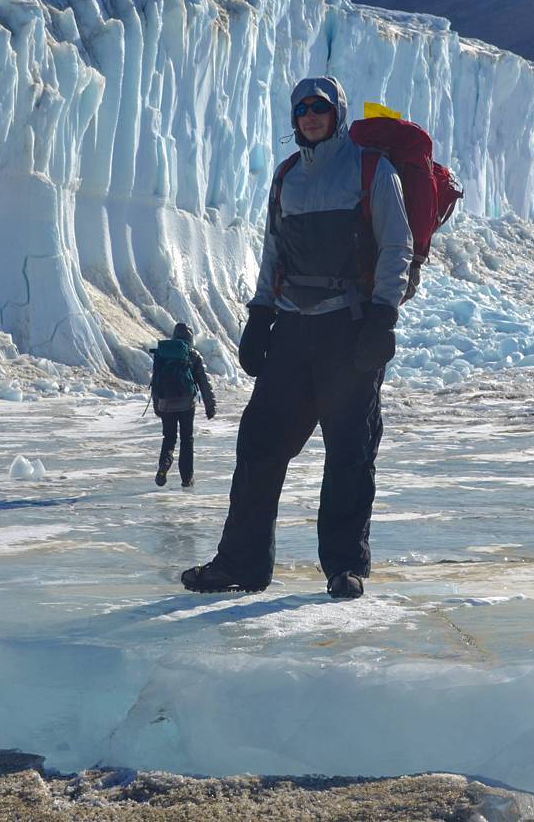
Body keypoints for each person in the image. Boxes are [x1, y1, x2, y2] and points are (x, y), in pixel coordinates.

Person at [181, 75, 413, 599]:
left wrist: (383, 317)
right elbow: (271, 251)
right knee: (260, 443)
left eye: (320, 107)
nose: (310, 115)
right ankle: (241, 564)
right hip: (291, 328)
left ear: (337, 113)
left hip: (350, 328)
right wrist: (260, 313)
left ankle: (344, 566)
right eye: (302, 108)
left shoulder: (371, 170)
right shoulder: (288, 176)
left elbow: (396, 246)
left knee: (349, 451)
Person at [151, 322, 216, 488]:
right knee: (187, 440)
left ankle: (163, 467)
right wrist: (210, 406)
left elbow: (156, 382)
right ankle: (187, 479)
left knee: (169, 439)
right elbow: (203, 383)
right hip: (187, 404)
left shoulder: (161, 354)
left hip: (166, 404)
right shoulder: (192, 355)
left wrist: (157, 406)